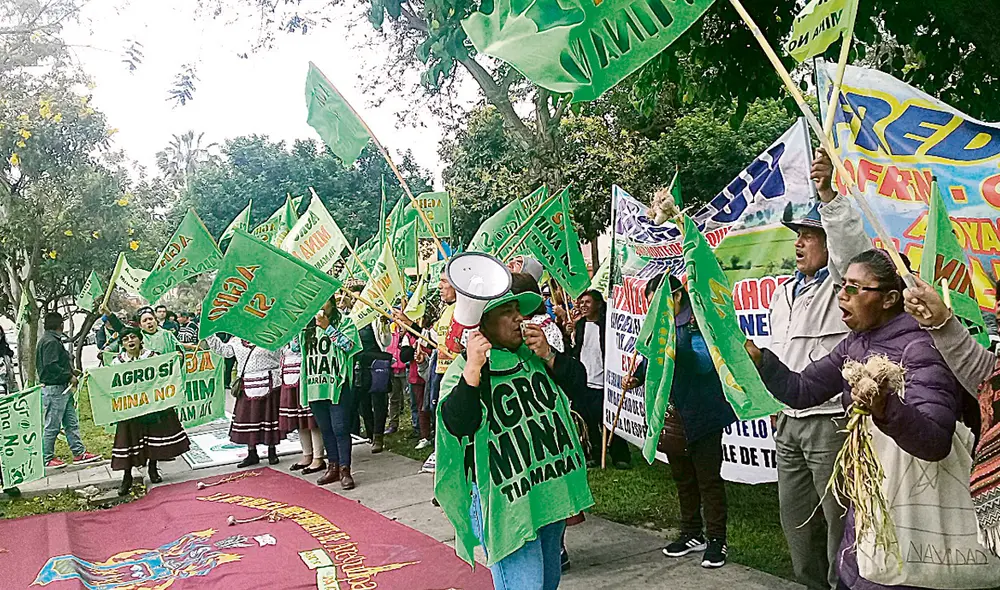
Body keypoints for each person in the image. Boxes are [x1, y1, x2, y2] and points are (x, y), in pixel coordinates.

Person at [745, 249, 974, 590]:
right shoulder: (855, 343)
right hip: (869, 506)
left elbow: (935, 441)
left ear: (890, 298)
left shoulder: (921, 348)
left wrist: (885, 408)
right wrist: (760, 360)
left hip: (907, 511)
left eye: (854, 288)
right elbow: (804, 390)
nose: (842, 295)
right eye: (842, 286)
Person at [437, 289, 594, 590]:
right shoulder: (465, 369)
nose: (519, 318)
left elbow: (579, 384)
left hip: (547, 493)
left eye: (518, 310)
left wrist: (550, 356)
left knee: (548, 582)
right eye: (507, 312)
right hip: (505, 504)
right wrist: (472, 371)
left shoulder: (533, 356)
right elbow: (456, 425)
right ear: (483, 325)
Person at [767, 148, 870, 590]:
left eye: (809, 234)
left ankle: (840, 584)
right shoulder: (781, 295)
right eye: (798, 235)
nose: (799, 242)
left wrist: (828, 196)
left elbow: (851, 251)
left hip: (830, 421)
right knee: (795, 521)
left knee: (838, 520)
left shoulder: (840, 286)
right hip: (788, 423)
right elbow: (777, 356)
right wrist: (775, 406)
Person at [626, 275, 735, 568]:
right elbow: (652, 359)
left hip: (704, 415)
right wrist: (636, 377)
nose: (654, 312)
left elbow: (703, 363)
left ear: (676, 297)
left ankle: (717, 540)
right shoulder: (662, 326)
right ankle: (691, 533)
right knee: (683, 479)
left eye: (659, 305)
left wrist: (676, 345)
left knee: (708, 480)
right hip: (674, 416)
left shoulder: (696, 322)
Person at [110, 325, 190, 496]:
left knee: (153, 436)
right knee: (129, 441)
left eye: (133, 337)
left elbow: (167, 372)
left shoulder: (153, 357)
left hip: (152, 406)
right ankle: (127, 477)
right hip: (130, 408)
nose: (130, 341)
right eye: (126, 339)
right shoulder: (117, 362)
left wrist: (177, 358)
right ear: (122, 344)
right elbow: (110, 383)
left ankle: (153, 468)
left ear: (140, 339)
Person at [303, 295, 361, 489]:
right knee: (325, 428)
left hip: (336, 385)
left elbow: (349, 346)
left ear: (333, 304)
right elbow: (294, 347)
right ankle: (333, 467)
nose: (320, 306)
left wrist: (328, 328)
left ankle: (345, 469)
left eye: (324, 301)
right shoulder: (307, 326)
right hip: (314, 384)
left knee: (340, 427)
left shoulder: (345, 322)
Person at [570, 289, 630, 468]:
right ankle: (593, 454)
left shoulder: (607, 325)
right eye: (581, 303)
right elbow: (577, 349)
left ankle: (620, 456)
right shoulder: (579, 325)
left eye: (587, 302)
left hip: (604, 381)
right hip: (584, 381)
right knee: (588, 422)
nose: (583, 306)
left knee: (609, 419)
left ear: (598, 304)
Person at [205, 334, 284, 467]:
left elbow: (279, 352)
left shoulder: (271, 337)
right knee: (249, 418)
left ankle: (272, 451)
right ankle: (251, 452)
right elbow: (224, 351)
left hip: (269, 382)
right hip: (247, 384)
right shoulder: (236, 341)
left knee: (268, 418)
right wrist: (209, 335)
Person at [38, 312, 101, 469]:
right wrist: (68, 375)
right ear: (61, 325)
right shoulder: (50, 342)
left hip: (63, 389)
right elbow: (50, 365)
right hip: (54, 389)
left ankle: (79, 452)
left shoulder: (51, 340)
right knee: (52, 424)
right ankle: (46, 457)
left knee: (71, 422)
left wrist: (72, 372)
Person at [280, 339, 326, 476]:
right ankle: (307, 454)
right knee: (299, 420)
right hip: (288, 375)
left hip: (305, 374)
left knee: (311, 420)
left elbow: (299, 347)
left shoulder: (306, 327)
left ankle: (318, 457)